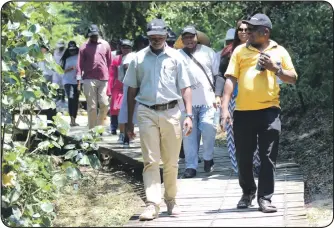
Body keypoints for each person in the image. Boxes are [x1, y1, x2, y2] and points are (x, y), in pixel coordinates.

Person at [221, 14, 297, 213]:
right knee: (243, 157)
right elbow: (230, 79)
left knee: (267, 157)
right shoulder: (239, 51)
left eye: (253, 30)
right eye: (247, 29)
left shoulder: (279, 51)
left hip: (269, 112)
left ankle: (265, 198)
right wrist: (224, 108)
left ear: (265, 32)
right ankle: (247, 193)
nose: (249, 33)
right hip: (243, 112)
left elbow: (293, 77)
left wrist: (276, 69)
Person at [123, 18, 194, 220]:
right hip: (146, 111)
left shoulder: (176, 57)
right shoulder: (137, 58)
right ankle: (152, 203)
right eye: (152, 37)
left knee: (171, 161)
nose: (156, 40)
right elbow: (131, 90)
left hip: (172, 111)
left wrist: (189, 115)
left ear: (166, 36)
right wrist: (129, 121)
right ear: (148, 37)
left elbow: (186, 87)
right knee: (150, 160)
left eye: (159, 37)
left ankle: (171, 200)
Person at [215, 22, 261, 175]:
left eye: (247, 29)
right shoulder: (229, 52)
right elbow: (221, 75)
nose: (243, 32)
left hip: (255, 96)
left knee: (256, 131)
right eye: (240, 30)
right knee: (234, 133)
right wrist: (218, 96)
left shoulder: (260, 48)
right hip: (234, 97)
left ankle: (256, 163)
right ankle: (239, 167)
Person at [178, 25, 217, 178]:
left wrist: (218, 95)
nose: (189, 40)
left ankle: (208, 157)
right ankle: (191, 166)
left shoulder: (208, 52)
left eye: (192, 37)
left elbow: (217, 75)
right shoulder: (177, 56)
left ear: (197, 37)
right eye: (186, 37)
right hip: (185, 102)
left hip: (208, 100)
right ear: (182, 40)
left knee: (209, 128)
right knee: (188, 135)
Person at [76, 24, 112, 129]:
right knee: (92, 106)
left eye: (95, 35)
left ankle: (99, 126)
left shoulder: (105, 45)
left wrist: (109, 77)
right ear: (89, 35)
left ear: (98, 35)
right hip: (88, 78)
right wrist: (78, 80)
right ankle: (92, 130)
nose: (94, 38)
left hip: (103, 78)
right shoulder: (84, 46)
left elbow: (109, 61)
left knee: (104, 103)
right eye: (92, 36)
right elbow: (79, 64)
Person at [117, 39, 138, 146]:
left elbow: (126, 67)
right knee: (128, 112)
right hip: (128, 86)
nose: (126, 49)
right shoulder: (124, 57)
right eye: (124, 47)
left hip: (132, 86)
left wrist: (130, 80)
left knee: (129, 111)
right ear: (121, 48)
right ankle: (127, 136)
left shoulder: (130, 56)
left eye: (128, 47)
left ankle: (128, 136)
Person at [60, 41, 81, 127]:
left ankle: (74, 120)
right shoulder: (65, 59)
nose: (72, 52)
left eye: (74, 50)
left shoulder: (80, 57)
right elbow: (60, 70)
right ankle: (71, 120)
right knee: (71, 98)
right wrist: (70, 69)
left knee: (75, 100)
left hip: (77, 81)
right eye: (71, 50)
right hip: (67, 81)